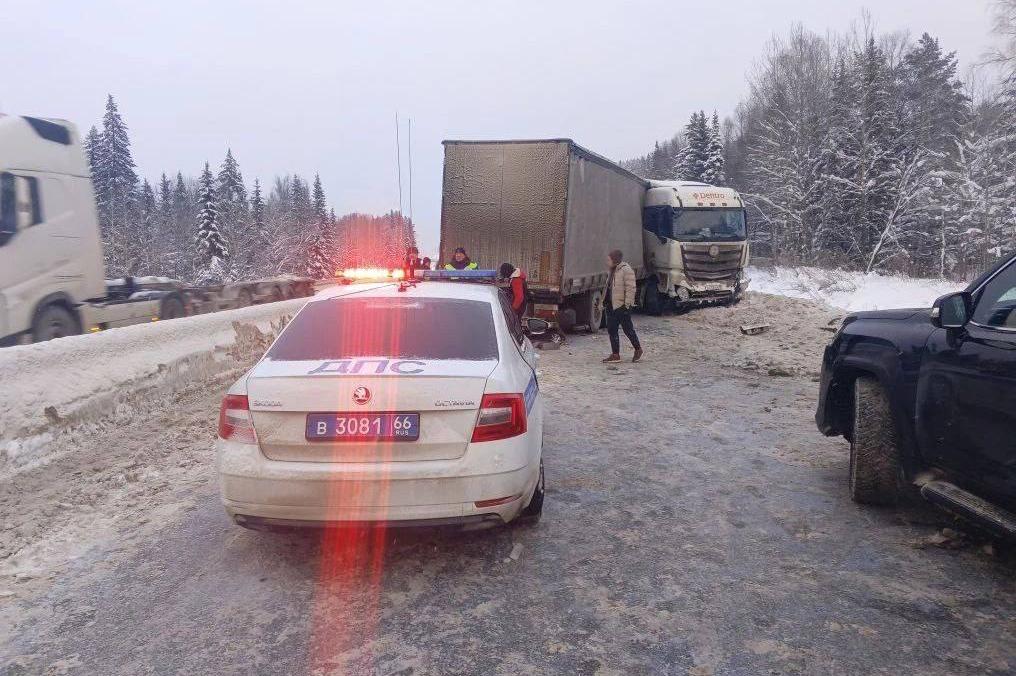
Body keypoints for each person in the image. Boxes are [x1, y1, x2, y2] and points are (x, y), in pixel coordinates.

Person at [602, 249, 642, 363]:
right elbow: (608, 287)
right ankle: (615, 354)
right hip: (611, 305)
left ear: (615, 260)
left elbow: (631, 289)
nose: (607, 261)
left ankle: (638, 349)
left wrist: (627, 305)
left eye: (609, 259)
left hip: (621, 306)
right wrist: (604, 300)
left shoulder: (626, 270)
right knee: (612, 329)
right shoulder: (611, 270)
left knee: (628, 329)